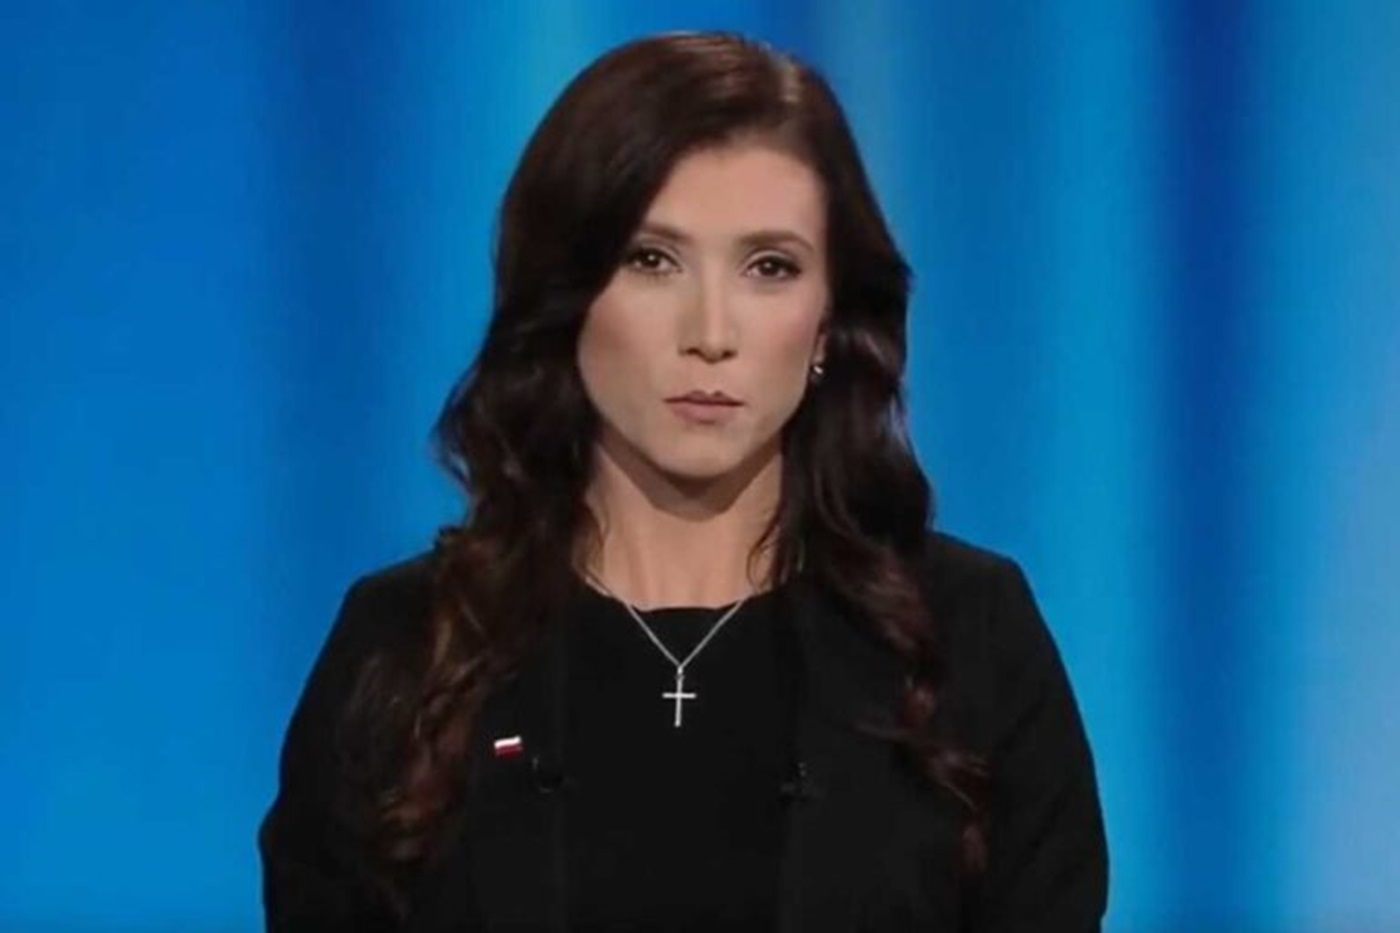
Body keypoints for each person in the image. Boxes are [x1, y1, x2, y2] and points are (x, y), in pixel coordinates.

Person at [258, 30, 1108, 933]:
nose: (711, 333)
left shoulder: (969, 638)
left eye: (769, 267)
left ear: (827, 323)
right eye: (652, 260)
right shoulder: (405, 646)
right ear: (567, 296)